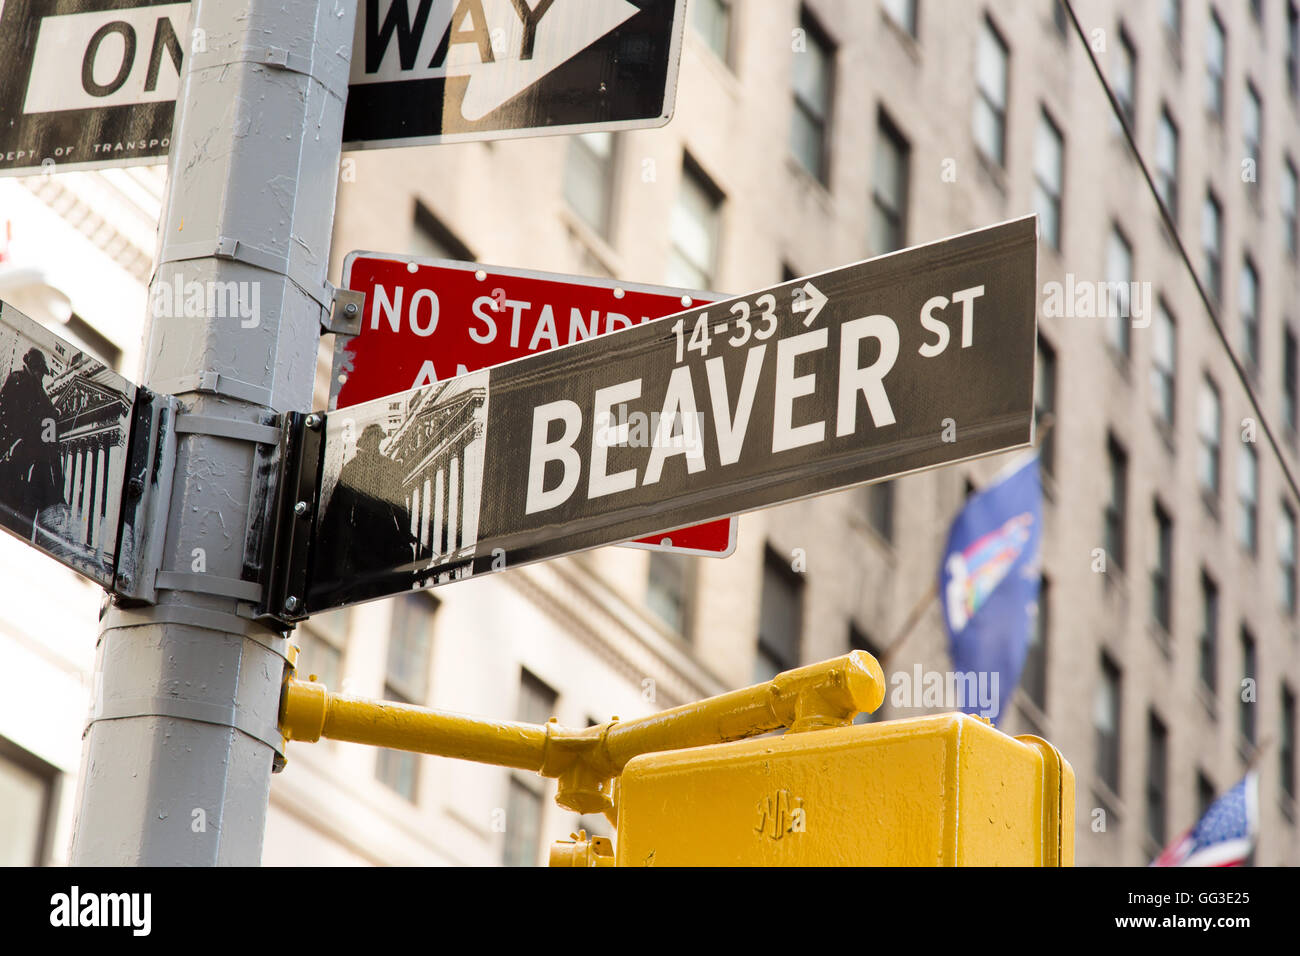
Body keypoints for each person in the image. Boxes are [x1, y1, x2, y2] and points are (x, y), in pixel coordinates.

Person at [314, 423, 415, 603]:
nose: (374, 443)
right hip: (362, 532)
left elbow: (399, 505)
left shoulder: (386, 467)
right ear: (365, 441)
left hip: (381, 530)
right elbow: (339, 509)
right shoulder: (353, 468)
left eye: (377, 439)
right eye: (372, 439)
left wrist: (406, 533)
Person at [0, 347, 65, 540]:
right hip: (24, 482)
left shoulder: (16, 381)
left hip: (10, 473)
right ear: (37, 369)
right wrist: (56, 495)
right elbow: (53, 454)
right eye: (40, 371)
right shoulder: (48, 407)